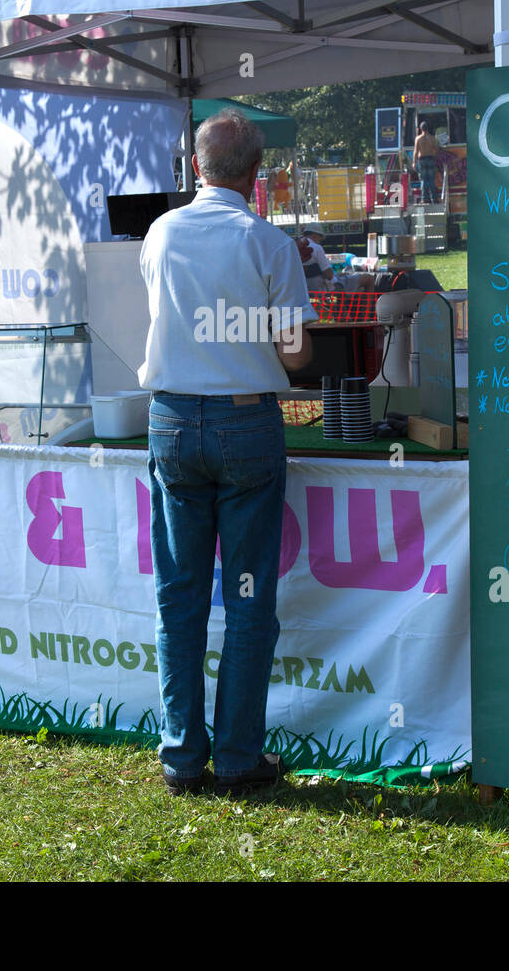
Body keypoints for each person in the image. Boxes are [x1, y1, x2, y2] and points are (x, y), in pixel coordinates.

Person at [138, 108, 317, 796]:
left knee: (179, 596)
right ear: (255, 173)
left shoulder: (159, 232)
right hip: (245, 426)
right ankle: (240, 756)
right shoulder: (268, 244)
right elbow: (296, 355)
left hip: (174, 421)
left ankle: (182, 755)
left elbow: (167, 318)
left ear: (195, 166)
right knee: (247, 598)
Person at [412, 120, 440, 203]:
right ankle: (434, 198)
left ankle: (424, 198)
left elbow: (416, 151)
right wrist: (433, 155)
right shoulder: (432, 138)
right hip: (430, 159)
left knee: (423, 179)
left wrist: (414, 162)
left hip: (422, 160)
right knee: (431, 179)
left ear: (421, 129)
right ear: (427, 128)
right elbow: (437, 149)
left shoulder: (418, 139)